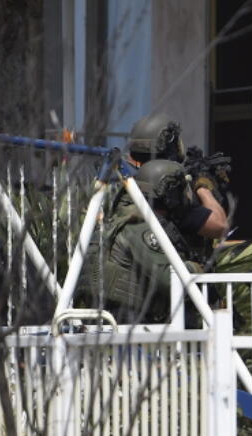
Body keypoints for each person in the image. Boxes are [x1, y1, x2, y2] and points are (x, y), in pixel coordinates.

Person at [85, 159, 203, 324]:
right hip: (130, 326)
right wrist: (196, 268)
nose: (185, 195)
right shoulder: (140, 227)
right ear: (169, 193)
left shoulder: (131, 219)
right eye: (181, 189)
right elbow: (170, 280)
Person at [127, 112, 228, 261]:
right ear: (169, 143)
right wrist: (202, 185)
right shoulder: (168, 188)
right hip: (174, 277)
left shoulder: (129, 182)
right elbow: (219, 226)